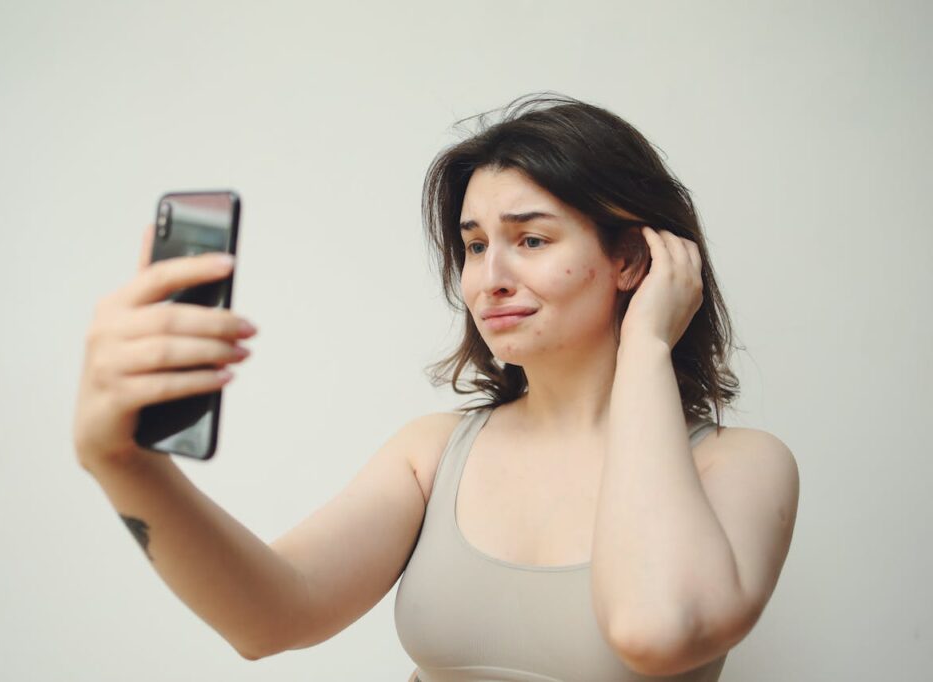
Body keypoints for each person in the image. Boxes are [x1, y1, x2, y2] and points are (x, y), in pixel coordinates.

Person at [73, 93, 800, 681]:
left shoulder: (739, 467)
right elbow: (268, 619)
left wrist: (646, 345)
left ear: (633, 262)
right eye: (476, 244)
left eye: (532, 239)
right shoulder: (432, 452)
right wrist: (124, 464)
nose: (489, 277)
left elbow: (656, 630)